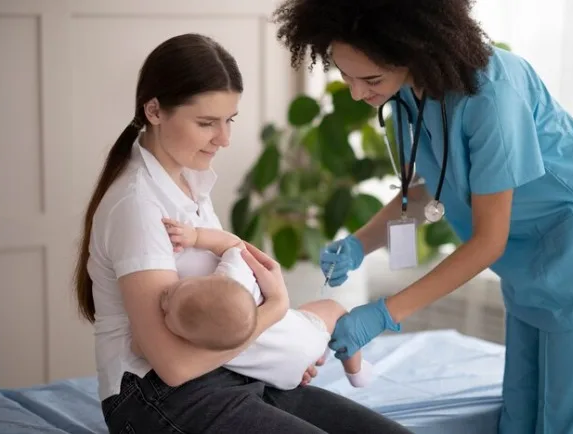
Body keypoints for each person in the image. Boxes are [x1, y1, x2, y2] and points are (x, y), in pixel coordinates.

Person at [272, 1, 573, 433]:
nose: (357, 93)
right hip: (530, 270)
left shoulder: (492, 94)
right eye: (344, 75)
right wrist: (360, 244)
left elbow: (487, 241)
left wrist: (384, 313)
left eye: (370, 79)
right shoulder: (405, 92)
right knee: (519, 419)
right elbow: (434, 186)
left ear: (414, 49)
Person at [73, 32, 412, 433]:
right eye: (206, 123)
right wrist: (272, 312)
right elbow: (175, 365)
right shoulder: (137, 206)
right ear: (154, 110)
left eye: (229, 120)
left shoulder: (189, 186)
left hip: (225, 374)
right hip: (157, 395)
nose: (225, 138)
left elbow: (218, 311)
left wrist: (277, 360)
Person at [139, 217, 372, 388]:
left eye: (173, 291)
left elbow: (163, 350)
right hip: (300, 334)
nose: (164, 299)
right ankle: (356, 371)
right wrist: (197, 236)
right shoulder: (232, 277)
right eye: (168, 314)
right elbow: (235, 246)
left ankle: (336, 360)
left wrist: (143, 346)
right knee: (335, 310)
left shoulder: (204, 348)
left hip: (284, 377)